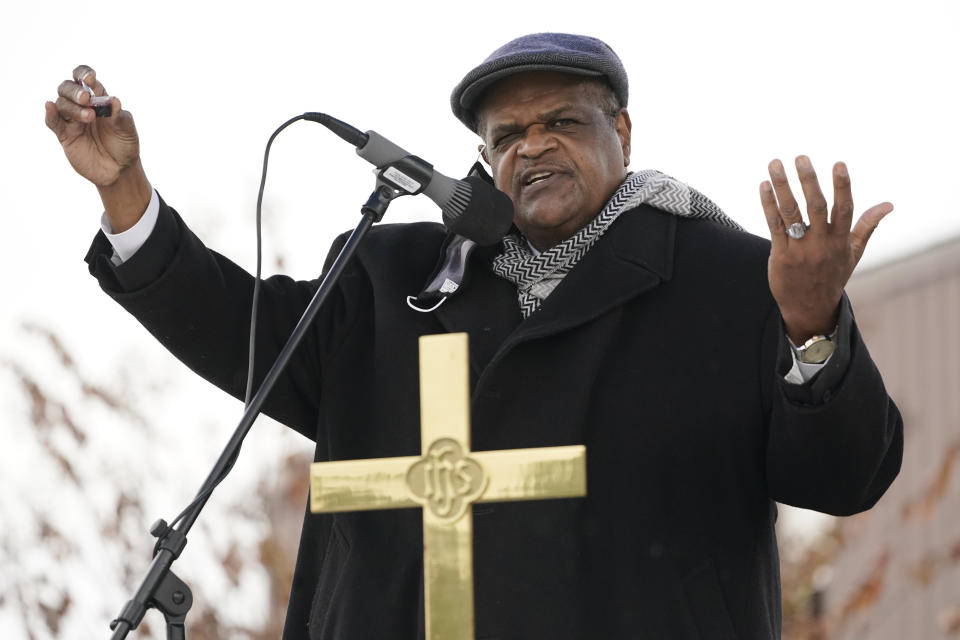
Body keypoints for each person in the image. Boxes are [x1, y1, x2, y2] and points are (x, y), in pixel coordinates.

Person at [47, 33, 902, 640]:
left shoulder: (733, 279)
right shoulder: (394, 279)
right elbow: (241, 333)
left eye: (562, 122)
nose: (533, 148)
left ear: (624, 131)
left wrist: (812, 325)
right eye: (507, 137)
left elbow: (843, 477)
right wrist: (126, 192)